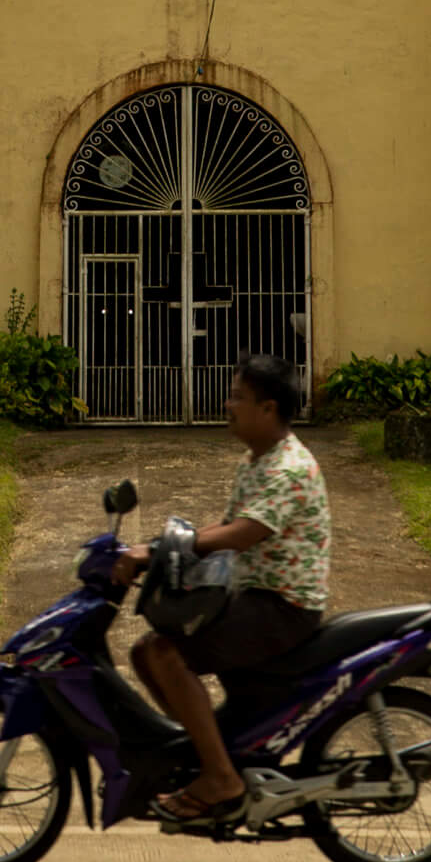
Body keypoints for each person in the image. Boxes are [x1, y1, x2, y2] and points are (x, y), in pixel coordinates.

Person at [114, 350, 331, 830]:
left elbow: (241, 534)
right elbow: (226, 527)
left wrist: (158, 552)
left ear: (268, 408)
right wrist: (167, 545)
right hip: (252, 596)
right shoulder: (256, 462)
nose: (227, 405)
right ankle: (208, 753)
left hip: (282, 607)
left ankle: (220, 778)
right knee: (148, 651)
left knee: (165, 655)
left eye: (238, 397)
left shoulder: (287, 468)